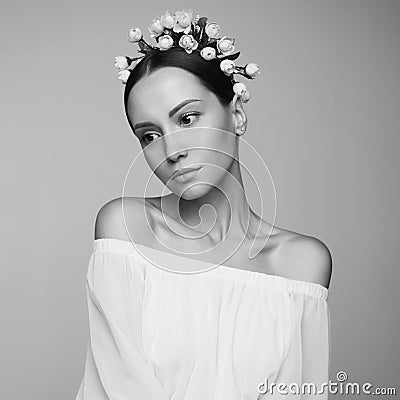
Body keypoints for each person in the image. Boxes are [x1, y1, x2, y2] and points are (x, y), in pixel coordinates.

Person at [75, 9, 332, 399]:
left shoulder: (300, 263)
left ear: (238, 114)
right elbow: (118, 387)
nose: (171, 150)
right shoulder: (128, 229)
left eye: (188, 118)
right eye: (149, 135)